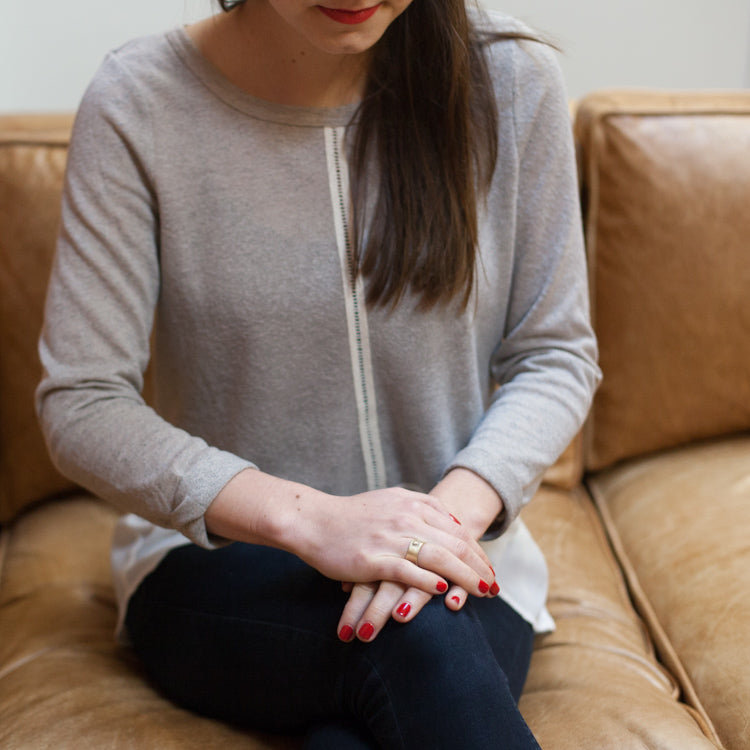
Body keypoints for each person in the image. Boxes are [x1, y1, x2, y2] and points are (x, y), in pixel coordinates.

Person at [36, 0, 600, 746]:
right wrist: (314, 521)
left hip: (459, 559)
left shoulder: (512, 81)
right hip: (219, 566)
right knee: (418, 639)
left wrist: (427, 532)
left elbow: (555, 352)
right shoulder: (140, 102)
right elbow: (82, 401)